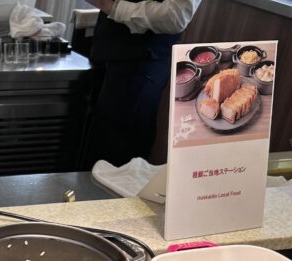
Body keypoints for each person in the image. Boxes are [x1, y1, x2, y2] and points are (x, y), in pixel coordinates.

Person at [80, 0, 202, 169]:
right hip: (109, 49)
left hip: (141, 63)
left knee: (116, 156)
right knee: (92, 146)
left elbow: (176, 16)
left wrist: (114, 7)